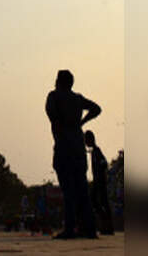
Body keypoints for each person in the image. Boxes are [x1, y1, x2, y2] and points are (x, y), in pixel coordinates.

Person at [45, 69, 101, 239]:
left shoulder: (54, 96)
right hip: (78, 146)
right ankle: (89, 229)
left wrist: (62, 126)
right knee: (82, 189)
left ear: (58, 81)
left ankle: (69, 228)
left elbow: (52, 117)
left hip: (64, 145)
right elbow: (96, 109)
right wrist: (81, 122)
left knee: (68, 190)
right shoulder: (77, 99)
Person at [85, 130, 113, 235]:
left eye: (86, 140)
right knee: (98, 202)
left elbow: (104, 163)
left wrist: (100, 172)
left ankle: (107, 226)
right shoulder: (94, 152)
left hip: (100, 181)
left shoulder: (97, 151)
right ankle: (106, 224)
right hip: (98, 180)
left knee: (101, 202)